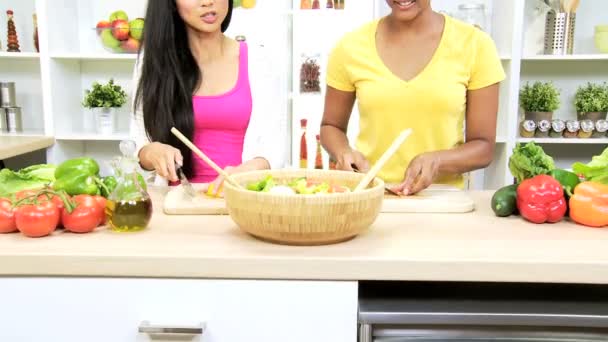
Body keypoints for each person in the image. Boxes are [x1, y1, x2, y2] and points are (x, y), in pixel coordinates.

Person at [320, 0, 505, 195]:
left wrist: (438, 161)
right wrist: (343, 152)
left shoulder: (475, 45)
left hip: (441, 201)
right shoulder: (350, 47)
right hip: (372, 196)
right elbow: (331, 126)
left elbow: (483, 147)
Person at [131, 0, 286, 196]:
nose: (208, 2)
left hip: (241, 200)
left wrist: (251, 169)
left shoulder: (260, 61)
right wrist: (152, 152)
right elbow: (140, 144)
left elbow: (275, 146)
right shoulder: (153, 63)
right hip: (177, 205)